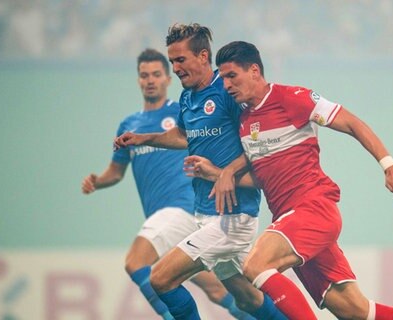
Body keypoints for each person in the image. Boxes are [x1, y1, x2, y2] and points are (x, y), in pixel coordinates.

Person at [185, 40, 393, 320]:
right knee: (354, 310)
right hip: (292, 222)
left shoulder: (292, 98)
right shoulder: (245, 121)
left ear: (255, 70)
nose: (226, 85)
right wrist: (218, 174)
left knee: (256, 265)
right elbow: (265, 177)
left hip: (313, 210)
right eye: (223, 78)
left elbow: (352, 123)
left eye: (232, 76)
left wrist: (388, 164)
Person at [113, 24, 286, 320]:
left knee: (160, 278)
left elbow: (258, 143)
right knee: (246, 298)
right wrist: (145, 138)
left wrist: (223, 172)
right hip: (205, 214)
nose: (176, 68)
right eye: (172, 62)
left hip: (234, 216)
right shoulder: (188, 97)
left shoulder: (228, 90)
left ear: (203, 56)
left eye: (180, 60)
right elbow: (184, 136)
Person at [81, 48, 253, 320]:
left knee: (136, 262)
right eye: (144, 75)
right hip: (168, 218)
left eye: (156, 74)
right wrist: (97, 181)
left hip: (182, 209)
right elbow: (116, 172)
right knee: (219, 290)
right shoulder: (129, 124)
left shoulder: (183, 109)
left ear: (167, 79)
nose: (150, 80)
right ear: (138, 80)